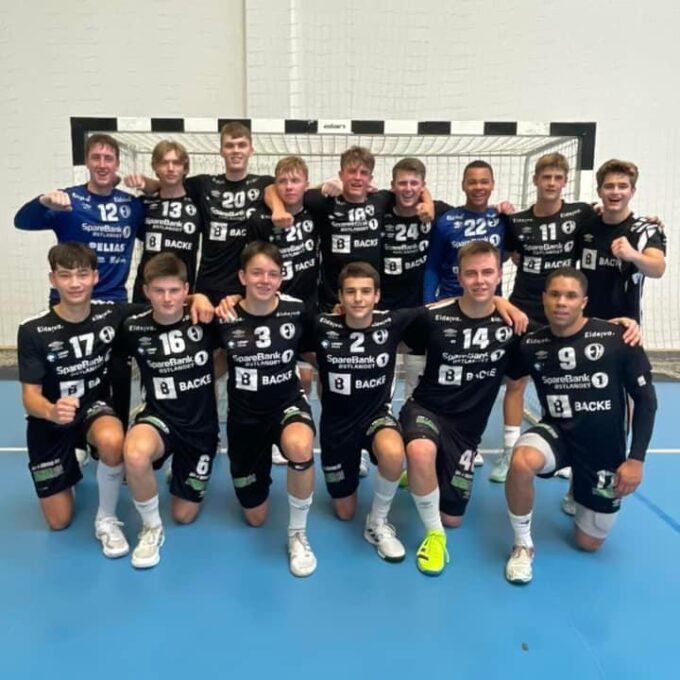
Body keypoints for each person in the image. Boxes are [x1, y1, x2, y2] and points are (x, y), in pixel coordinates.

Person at [503, 267, 656, 584]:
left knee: (588, 544)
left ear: (584, 302)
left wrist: (636, 459)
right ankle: (522, 545)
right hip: (557, 433)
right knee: (520, 461)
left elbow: (646, 401)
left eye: (571, 296)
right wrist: (497, 301)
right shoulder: (531, 343)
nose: (562, 302)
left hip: (604, 446)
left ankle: (579, 487)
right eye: (555, 294)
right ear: (544, 298)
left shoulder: (618, 338)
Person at [399, 241, 521, 576]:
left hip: (466, 430)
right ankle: (434, 536)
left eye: (487, 272)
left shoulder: (512, 325)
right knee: (421, 451)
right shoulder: (433, 316)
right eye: (471, 273)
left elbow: (564, 333)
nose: (479, 280)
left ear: (499, 275)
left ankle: (426, 474)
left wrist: (618, 325)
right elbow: (384, 326)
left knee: (453, 518)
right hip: (426, 408)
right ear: (459, 275)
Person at [17, 243, 132, 557]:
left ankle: (106, 519)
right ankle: (66, 470)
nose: (75, 283)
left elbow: (164, 303)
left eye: (82, 274)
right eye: (66, 275)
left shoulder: (111, 313)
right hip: (50, 421)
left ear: (95, 277)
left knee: (112, 440)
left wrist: (196, 298)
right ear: (53, 279)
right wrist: (51, 411)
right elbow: (30, 398)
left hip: (93, 408)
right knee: (59, 521)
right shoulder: (33, 330)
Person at [491, 152, 596, 483]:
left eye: (557, 178)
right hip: (524, 307)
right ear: (535, 180)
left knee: (564, 381)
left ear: (565, 181)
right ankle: (509, 451)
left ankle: (562, 449)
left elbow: (612, 221)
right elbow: (504, 256)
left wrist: (647, 223)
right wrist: (499, 211)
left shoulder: (580, 214)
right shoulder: (518, 221)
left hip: (563, 310)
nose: (551, 183)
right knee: (516, 382)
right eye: (546, 177)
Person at [309, 261, 423, 562]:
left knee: (393, 452)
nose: (358, 298)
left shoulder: (392, 322)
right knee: (344, 512)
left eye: (365, 291)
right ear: (340, 297)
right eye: (351, 292)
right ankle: (351, 466)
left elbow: (440, 309)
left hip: (376, 417)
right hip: (336, 425)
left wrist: (498, 301)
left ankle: (378, 522)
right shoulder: (322, 325)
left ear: (377, 295)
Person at [216, 241, 317, 577]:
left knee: (300, 446)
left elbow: (313, 350)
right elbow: (217, 362)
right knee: (255, 517)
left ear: (281, 277)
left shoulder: (296, 310)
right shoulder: (225, 315)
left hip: (286, 404)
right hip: (244, 417)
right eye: (257, 272)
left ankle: (298, 533)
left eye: (273, 274)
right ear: (242, 276)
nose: (265, 280)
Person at [119, 253, 220, 569]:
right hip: (159, 418)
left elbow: (234, 350)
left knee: (183, 515)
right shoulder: (132, 326)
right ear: (146, 291)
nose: (167, 298)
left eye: (174, 290)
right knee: (134, 454)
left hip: (200, 429)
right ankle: (151, 528)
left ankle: (184, 465)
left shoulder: (205, 319)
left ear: (186, 290)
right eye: (159, 290)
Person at [267, 146, 434, 312]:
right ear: (341, 175)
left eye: (364, 173)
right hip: (332, 302)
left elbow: (414, 188)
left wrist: (428, 204)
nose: (357, 178)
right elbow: (271, 188)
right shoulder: (324, 201)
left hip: (368, 301)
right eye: (352, 172)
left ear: (370, 178)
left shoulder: (381, 200)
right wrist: (279, 209)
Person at [127, 122, 274, 305]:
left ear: (251, 150)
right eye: (229, 145)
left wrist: (281, 208)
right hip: (207, 287)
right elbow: (169, 183)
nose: (236, 150)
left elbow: (290, 191)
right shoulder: (203, 185)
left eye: (241, 145)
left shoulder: (264, 184)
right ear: (221, 151)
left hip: (246, 286)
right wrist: (145, 183)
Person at [423, 160, 509, 467]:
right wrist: (427, 305)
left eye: (484, 181)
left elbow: (510, 257)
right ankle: (430, 436)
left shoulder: (503, 219)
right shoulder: (447, 221)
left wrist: (503, 302)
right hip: (450, 306)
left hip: (488, 311)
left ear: (492, 184)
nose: (478, 187)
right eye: (472, 181)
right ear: (463, 185)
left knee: (478, 379)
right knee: (442, 376)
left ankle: (468, 440)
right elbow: (432, 265)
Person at [15, 133, 144, 302]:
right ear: (86, 162)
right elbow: (21, 222)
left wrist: (150, 185)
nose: (102, 165)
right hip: (68, 300)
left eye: (108, 159)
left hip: (113, 299)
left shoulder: (132, 205)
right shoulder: (68, 200)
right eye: (96, 158)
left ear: (117, 164)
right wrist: (41, 202)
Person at [246, 155, 320, 397]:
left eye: (295, 181)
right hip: (272, 307)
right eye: (283, 181)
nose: (289, 187)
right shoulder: (260, 219)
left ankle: (302, 411)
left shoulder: (314, 211)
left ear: (306, 185)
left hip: (308, 306)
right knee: (273, 372)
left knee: (308, 376)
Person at [380, 157, 449, 400]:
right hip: (383, 302)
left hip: (418, 301)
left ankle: (411, 412)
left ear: (423, 186)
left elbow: (470, 214)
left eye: (414, 183)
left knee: (416, 368)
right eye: (402, 183)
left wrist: (499, 209)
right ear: (392, 186)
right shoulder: (381, 206)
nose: (408, 189)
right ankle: (381, 412)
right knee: (382, 365)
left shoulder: (438, 210)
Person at [578, 159, 666, 323]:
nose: (615, 192)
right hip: (585, 321)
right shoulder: (586, 225)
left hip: (625, 324)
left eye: (623, 186)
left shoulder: (644, 230)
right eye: (609, 186)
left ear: (632, 192)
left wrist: (633, 255)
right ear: (599, 191)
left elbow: (658, 269)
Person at [130, 141, 202, 302]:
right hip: (146, 292)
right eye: (164, 163)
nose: (170, 168)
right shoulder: (143, 204)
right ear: (155, 167)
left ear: (185, 168)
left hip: (181, 291)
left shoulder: (198, 203)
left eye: (176, 163)